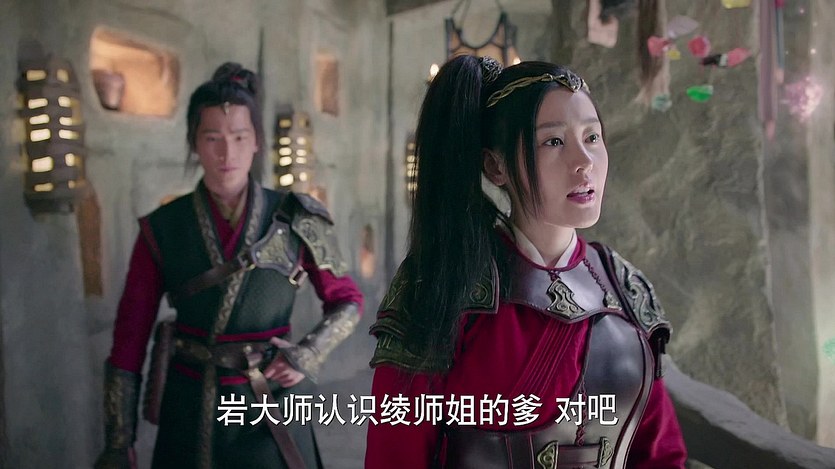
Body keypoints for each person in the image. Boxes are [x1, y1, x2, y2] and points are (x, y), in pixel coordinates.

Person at [365, 56, 687, 468]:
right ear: (495, 166)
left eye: (592, 137)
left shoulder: (625, 288)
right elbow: (394, 455)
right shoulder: (444, 285)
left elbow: (661, 454)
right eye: (553, 142)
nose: (584, 162)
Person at [95, 63, 363, 469]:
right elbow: (129, 338)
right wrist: (119, 442)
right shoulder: (162, 228)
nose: (227, 153)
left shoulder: (297, 217)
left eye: (239, 137)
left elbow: (348, 301)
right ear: (194, 143)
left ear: (256, 141)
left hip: (273, 402)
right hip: (190, 405)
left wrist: (307, 353)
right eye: (212, 138)